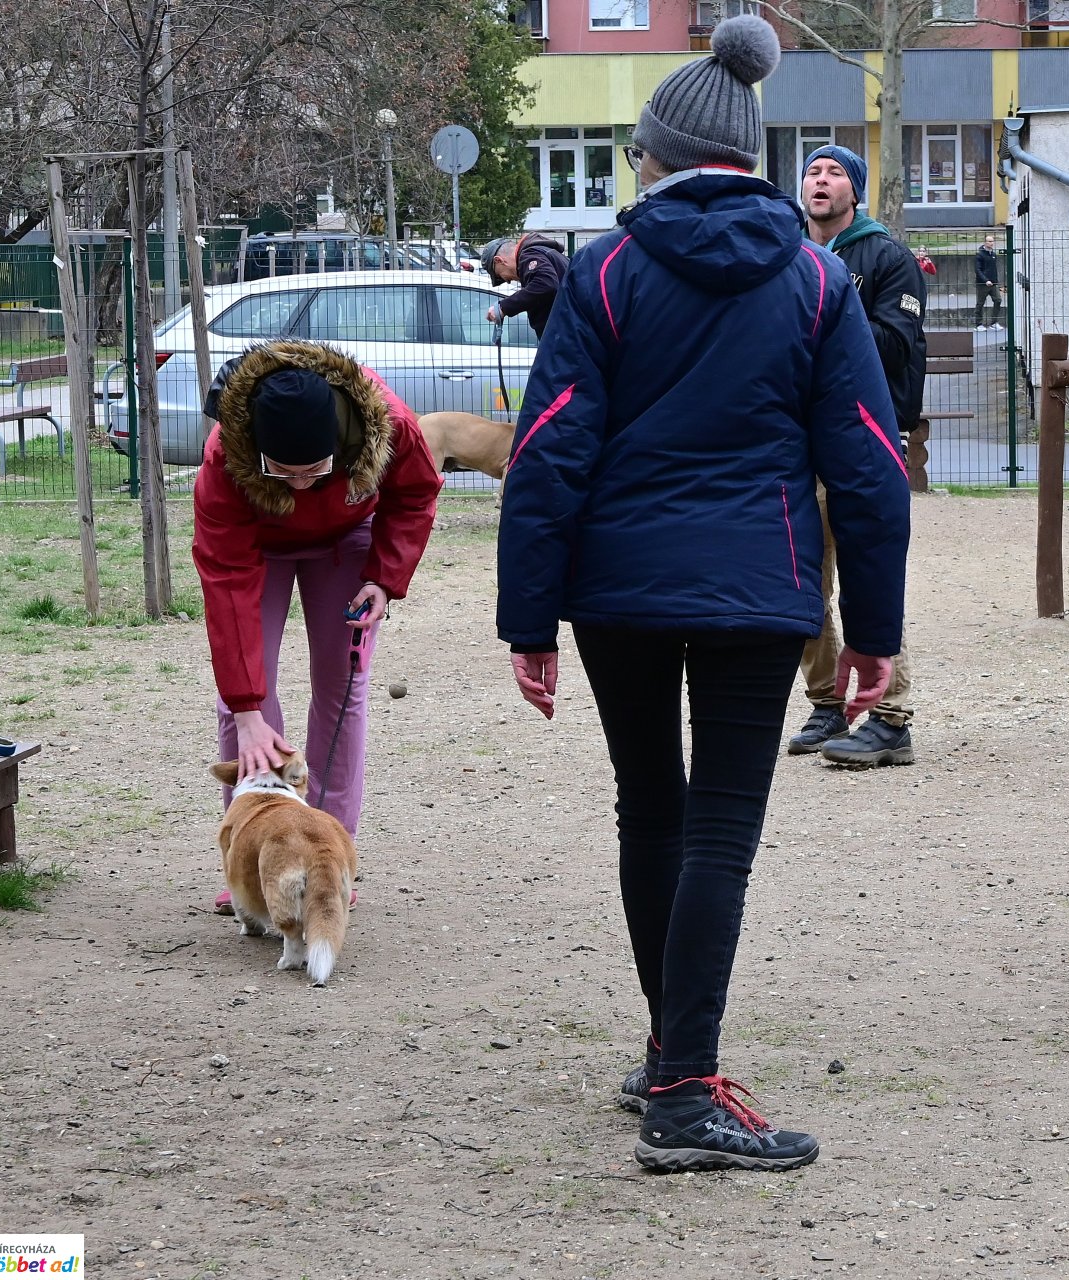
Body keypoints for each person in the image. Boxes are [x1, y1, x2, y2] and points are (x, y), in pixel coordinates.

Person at [495, 15, 909, 1173]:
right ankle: (683, 1081)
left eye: (636, 151)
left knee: (650, 809)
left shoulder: (605, 274)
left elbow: (549, 452)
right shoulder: (819, 281)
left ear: (662, 156)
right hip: (758, 589)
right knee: (717, 832)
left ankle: (672, 1047)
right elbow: (870, 466)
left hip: (615, 592)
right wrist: (874, 631)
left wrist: (529, 616)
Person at [192, 339, 440, 913]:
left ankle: (330, 861)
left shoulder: (390, 426)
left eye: (314, 470)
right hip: (257, 548)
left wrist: (384, 577)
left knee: (343, 685)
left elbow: (415, 493)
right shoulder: (224, 454)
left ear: (339, 443)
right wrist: (249, 709)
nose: (300, 485)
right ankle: (251, 867)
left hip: (346, 544)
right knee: (243, 706)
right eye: (282, 471)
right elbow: (226, 577)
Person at [784, 142, 926, 768]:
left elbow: (894, 345)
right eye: (812, 172)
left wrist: (824, 305)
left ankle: (891, 717)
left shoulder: (885, 256)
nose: (820, 180)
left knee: (869, 577)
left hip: (864, 440)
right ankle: (826, 702)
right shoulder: (787, 250)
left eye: (834, 172)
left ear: (855, 190)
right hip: (797, 442)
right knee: (801, 583)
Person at [480, 232, 570, 338]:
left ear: (499, 260)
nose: (507, 281)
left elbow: (545, 284)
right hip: (569, 330)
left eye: (499, 275)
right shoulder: (540, 252)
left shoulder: (529, 254)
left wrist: (503, 307)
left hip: (566, 335)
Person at [974, 234, 1002, 330]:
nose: (991, 243)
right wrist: (985, 280)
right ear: (985, 242)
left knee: (998, 300)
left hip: (993, 283)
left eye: (992, 241)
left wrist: (995, 281)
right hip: (983, 284)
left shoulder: (993, 254)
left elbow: (993, 269)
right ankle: (978, 324)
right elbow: (978, 270)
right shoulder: (980, 255)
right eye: (989, 241)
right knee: (980, 303)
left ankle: (994, 322)